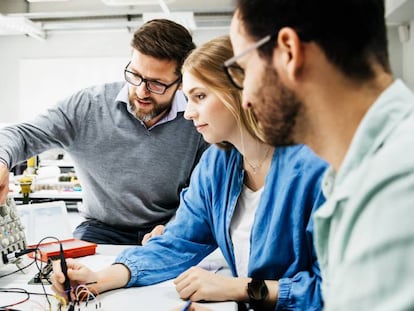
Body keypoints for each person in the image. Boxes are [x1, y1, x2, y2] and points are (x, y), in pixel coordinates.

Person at [51, 36, 328, 310]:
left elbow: (336, 287)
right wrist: (100, 279)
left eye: (200, 96)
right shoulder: (217, 166)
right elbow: (178, 243)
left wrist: (243, 288)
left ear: (243, 90)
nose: (188, 113)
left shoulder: (316, 168)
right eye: (188, 98)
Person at [227, 0, 414, 309]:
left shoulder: (396, 189)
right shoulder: (355, 172)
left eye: (245, 70)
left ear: (289, 50)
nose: (245, 98)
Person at [0, 19, 208, 245]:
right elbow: (22, 135)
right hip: (100, 229)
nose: (141, 92)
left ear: (180, 82)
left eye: (156, 84)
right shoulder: (87, 107)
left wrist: (176, 225)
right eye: (135, 75)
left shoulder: (196, 119)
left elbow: (204, 191)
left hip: (170, 228)